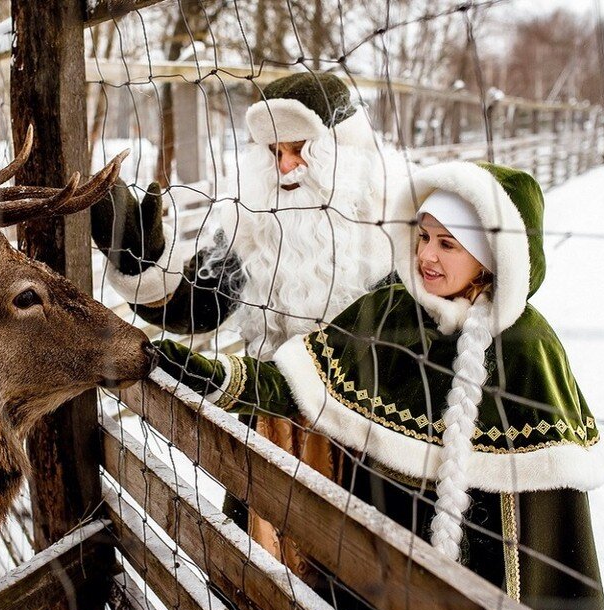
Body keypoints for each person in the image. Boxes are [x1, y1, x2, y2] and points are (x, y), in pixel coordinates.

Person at [155, 161, 604, 610]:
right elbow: (294, 383)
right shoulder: (390, 311)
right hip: (372, 573)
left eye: (447, 244)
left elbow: (551, 532)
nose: (427, 256)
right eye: (424, 237)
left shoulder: (526, 348)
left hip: (479, 585)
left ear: (490, 258)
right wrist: (213, 375)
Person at [92, 71, 411, 583]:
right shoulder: (255, 226)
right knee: (263, 592)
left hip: (372, 445)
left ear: (339, 151)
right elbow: (197, 303)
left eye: (300, 150)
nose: (286, 169)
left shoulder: (397, 227)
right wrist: (141, 265)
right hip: (271, 435)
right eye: (274, 153)